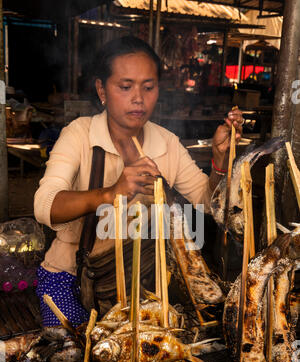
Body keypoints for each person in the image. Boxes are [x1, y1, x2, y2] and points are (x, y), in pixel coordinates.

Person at [34, 35, 243, 327]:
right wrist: (110, 193)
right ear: (101, 90)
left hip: (141, 284)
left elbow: (208, 203)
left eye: (148, 87)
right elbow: (45, 206)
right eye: (125, 86)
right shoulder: (80, 135)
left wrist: (220, 162)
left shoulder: (166, 142)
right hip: (71, 279)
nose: (138, 98)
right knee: (72, 358)